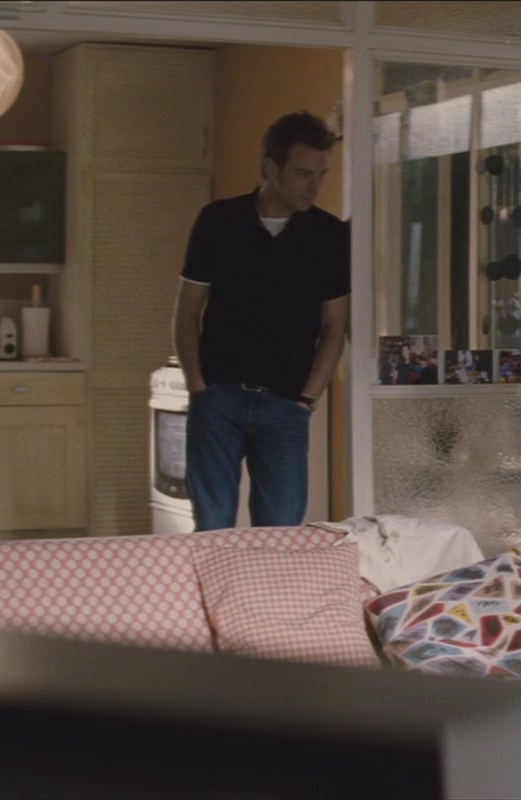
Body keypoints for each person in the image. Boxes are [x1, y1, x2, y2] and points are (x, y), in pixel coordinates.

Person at [172, 111, 349, 531]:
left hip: (286, 403)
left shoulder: (328, 235)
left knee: (281, 528)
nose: (315, 186)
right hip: (218, 398)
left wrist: (307, 398)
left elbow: (335, 328)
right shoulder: (218, 221)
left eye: (321, 175)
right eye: (304, 174)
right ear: (272, 169)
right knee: (212, 525)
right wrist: (198, 385)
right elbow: (187, 311)